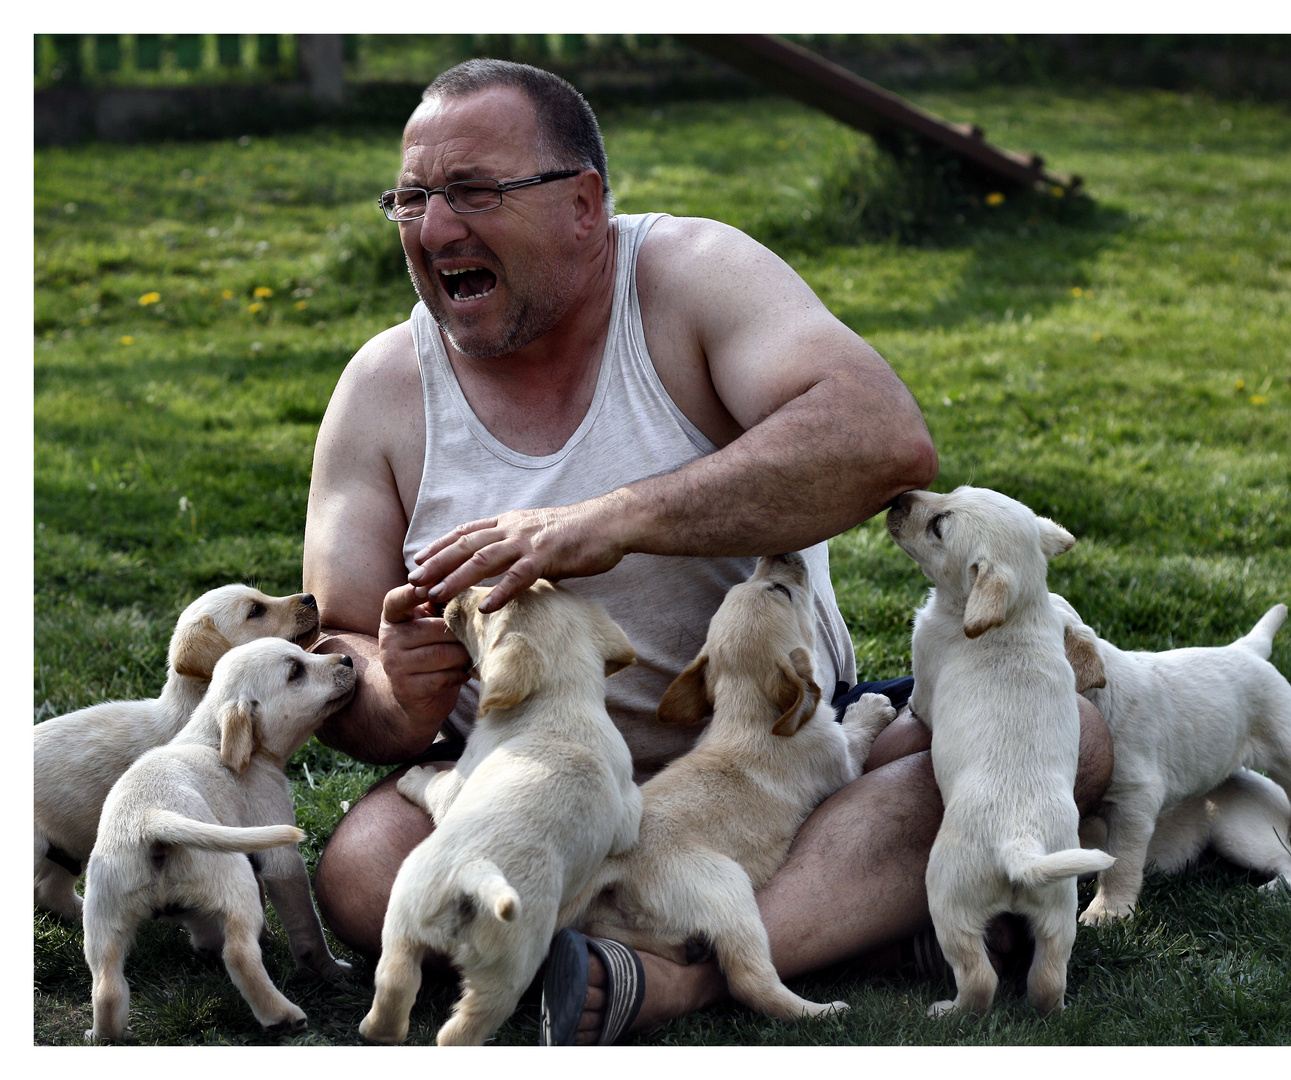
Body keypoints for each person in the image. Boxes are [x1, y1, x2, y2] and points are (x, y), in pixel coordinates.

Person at [302, 58, 1113, 1045]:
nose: (434, 232)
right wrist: (397, 693)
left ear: (583, 205)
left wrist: (607, 521)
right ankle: (834, 924)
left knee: (1069, 739)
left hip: (769, 761)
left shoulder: (688, 277)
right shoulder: (383, 389)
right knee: (359, 873)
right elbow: (340, 637)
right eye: (412, 199)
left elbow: (877, 438)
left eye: (472, 193)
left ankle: (674, 976)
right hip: (528, 782)